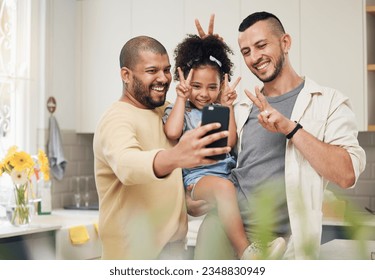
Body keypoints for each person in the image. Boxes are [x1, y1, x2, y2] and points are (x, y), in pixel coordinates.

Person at [190, 12, 366, 260]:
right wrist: (208, 59)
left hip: (281, 247)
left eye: (261, 45)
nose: (254, 57)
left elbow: (346, 174)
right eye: (246, 51)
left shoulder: (328, 103)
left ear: (285, 43)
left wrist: (290, 129)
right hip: (221, 233)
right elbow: (208, 156)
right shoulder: (242, 107)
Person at [93, 35, 231, 260]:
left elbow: (205, 101)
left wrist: (207, 56)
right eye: (152, 71)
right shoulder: (116, 118)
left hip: (174, 251)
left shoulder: (169, 110)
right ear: (126, 75)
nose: (163, 78)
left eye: (166, 70)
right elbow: (127, 165)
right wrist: (176, 156)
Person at [162, 34, 286, 260]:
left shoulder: (216, 111)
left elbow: (228, 144)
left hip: (226, 178)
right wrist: (181, 97)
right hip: (198, 179)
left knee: (238, 195)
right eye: (196, 86)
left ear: (220, 87)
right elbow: (172, 132)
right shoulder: (182, 111)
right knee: (223, 189)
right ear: (185, 85)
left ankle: (257, 244)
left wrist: (227, 106)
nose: (203, 93)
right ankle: (246, 252)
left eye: (212, 87)